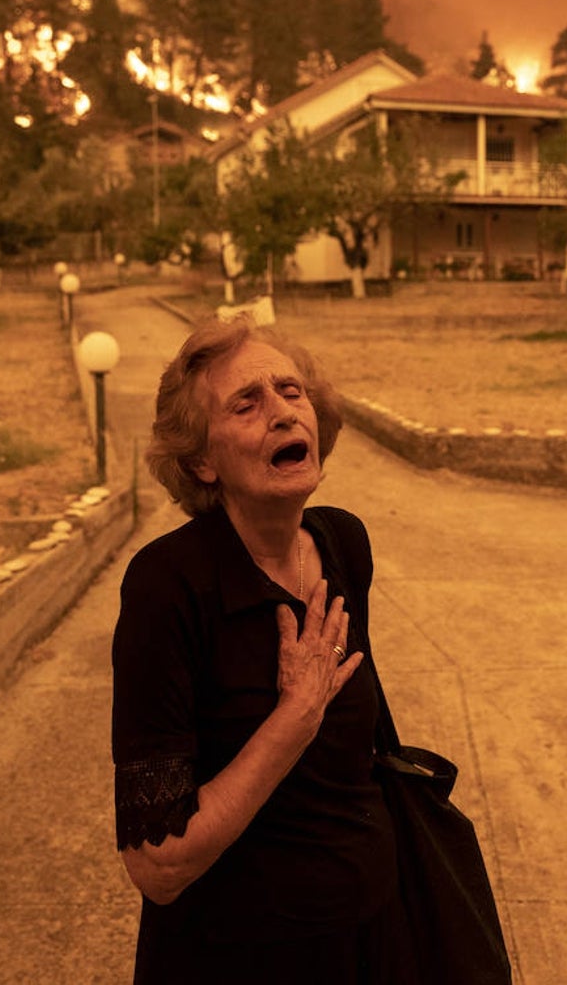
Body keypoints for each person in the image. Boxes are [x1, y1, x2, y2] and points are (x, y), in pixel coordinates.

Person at [111, 315, 418, 984]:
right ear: (200, 459)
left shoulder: (343, 544)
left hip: (376, 937)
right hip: (242, 955)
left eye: (291, 391)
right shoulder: (168, 586)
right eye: (246, 404)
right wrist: (294, 718)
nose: (282, 412)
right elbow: (157, 865)